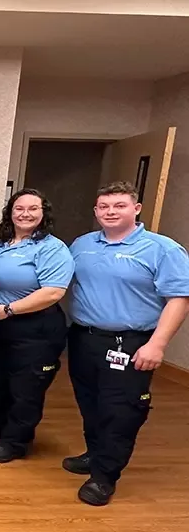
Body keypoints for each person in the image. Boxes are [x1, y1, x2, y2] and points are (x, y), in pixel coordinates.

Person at [66, 181, 189, 506]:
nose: (110, 211)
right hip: (84, 338)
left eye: (119, 205)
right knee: (90, 403)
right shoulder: (82, 245)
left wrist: (157, 345)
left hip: (131, 343)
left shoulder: (162, 249)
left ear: (136, 209)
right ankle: (95, 454)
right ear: (96, 211)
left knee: (120, 410)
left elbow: (179, 299)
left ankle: (105, 477)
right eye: (104, 206)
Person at [0, 188, 74, 464]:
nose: (25, 214)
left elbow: (53, 291)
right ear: (10, 212)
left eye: (33, 209)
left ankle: (16, 440)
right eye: (19, 208)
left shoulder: (52, 248)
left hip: (34, 328)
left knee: (25, 387)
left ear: (44, 214)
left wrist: (9, 309)